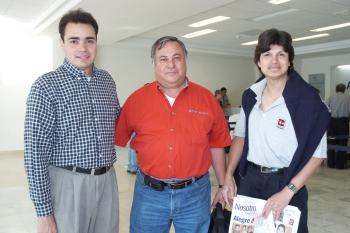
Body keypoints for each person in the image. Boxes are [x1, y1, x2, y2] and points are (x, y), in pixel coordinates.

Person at [115, 36, 231, 233]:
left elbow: (217, 144)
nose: (171, 64)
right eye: (163, 58)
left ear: (185, 60)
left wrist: (222, 185)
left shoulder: (207, 100)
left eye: (177, 57)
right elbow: (119, 139)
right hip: (149, 195)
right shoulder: (136, 101)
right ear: (154, 63)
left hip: (195, 196)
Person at [222, 28, 330, 233]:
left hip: (287, 182)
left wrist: (287, 192)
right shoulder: (250, 96)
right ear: (258, 61)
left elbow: (317, 155)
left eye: (281, 54)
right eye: (267, 55)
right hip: (250, 179)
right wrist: (228, 176)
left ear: (289, 61)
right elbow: (240, 137)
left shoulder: (308, 100)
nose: (274, 61)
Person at [24, 9, 120, 233]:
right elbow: (34, 154)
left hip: (107, 182)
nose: (83, 48)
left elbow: (118, 120)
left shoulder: (106, 81)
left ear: (97, 42)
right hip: (68, 184)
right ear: (62, 43)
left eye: (89, 40)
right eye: (74, 40)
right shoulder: (46, 86)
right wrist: (44, 212)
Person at [326, 83, 350, 169]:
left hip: (332, 122)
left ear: (336, 89)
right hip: (343, 123)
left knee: (331, 142)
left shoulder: (331, 97)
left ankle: (330, 163)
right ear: (344, 89)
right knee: (342, 143)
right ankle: (340, 165)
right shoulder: (348, 98)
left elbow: (325, 108)